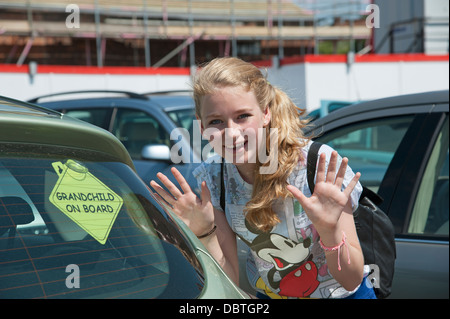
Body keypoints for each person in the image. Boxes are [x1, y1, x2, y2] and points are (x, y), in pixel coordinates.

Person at [149, 57, 376, 299]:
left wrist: (329, 231)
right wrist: (205, 232)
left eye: (243, 116)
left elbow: (350, 280)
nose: (231, 132)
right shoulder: (214, 178)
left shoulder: (315, 164)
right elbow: (229, 282)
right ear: (201, 127)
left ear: (265, 113)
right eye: (216, 121)